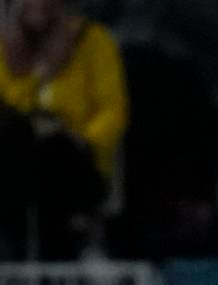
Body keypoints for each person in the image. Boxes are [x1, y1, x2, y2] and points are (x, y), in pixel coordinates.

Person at [0, 0, 127, 259]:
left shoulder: (93, 40)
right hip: (21, 159)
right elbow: (13, 109)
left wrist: (85, 140)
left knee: (54, 152)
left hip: (77, 159)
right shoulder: (8, 48)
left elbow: (114, 110)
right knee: (16, 140)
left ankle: (62, 253)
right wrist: (41, 73)